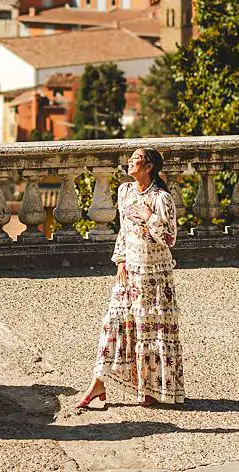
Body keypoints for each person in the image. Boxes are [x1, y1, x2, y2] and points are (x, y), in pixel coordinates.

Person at [76, 147, 185, 409]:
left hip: (155, 273)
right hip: (129, 270)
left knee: (149, 329)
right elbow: (123, 230)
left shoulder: (162, 198)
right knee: (113, 324)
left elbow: (170, 238)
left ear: (148, 167)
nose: (129, 163)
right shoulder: (124, 191)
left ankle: (149, 390)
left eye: (135, 160)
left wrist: (149, 217)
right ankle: (98, 383)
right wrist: (120, 261)